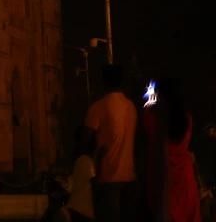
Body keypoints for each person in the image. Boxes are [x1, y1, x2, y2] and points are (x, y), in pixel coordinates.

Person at [141, 78, 201, 222]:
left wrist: (149, 99)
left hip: (163, 178)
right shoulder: (187, 118)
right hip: (185, 178)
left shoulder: (153, 118)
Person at [83, 64, 137, 222]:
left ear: (104, 81)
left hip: (107, 178)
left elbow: (85, 141)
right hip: (130, 178)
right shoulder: (131, 107)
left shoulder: (99, 107)